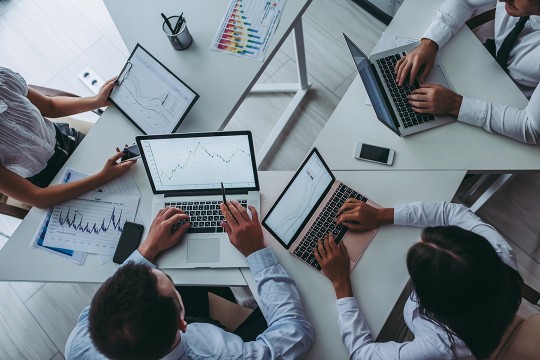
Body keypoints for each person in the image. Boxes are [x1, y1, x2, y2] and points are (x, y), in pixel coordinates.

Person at [65, 201, 314, 360]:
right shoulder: (212, 351)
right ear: (182, 323)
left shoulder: (80, 345)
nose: (154, 270)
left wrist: (148, 249)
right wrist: (256, 253)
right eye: (171, 286)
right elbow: (295, 334)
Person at [315, 200, 522, 359]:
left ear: (432, 301)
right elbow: (449, 212)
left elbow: (362, 354)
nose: (416, 242)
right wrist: (382, 215)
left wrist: (341, 283)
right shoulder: (498, 252)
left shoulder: (438, 346)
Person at [394, 0, 540, 144]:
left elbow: (532, 127)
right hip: (482, 63)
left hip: (513, 104)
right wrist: (430, 42)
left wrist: (454, 104)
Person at [0, 66, 135, 209]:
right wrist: (102, 177)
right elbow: (37, 197)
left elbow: (50, 106)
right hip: (48, 182)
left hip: (69, 140)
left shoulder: (3, 79)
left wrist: (96, 101)